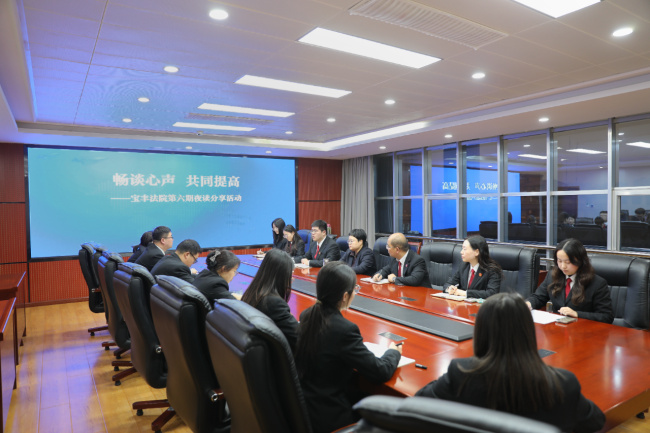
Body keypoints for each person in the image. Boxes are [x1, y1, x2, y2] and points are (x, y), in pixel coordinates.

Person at [415, 292, 605, 433]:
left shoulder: (461, 373)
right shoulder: (563, 383)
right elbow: (596, 422)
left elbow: (418, 402)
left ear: (481, 332)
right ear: (528, 331)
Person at [295, 262, 402, 433]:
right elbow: (380, 372)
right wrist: (393, 352)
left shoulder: (307, 315)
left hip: (305, 408)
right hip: (331, 417)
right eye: (355, 290)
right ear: (345, 296)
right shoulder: (344, 329)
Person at [526, 238, 614, 323]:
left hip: (583, 329)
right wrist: (528, 304)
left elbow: (606, 317)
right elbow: (538, 297)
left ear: (580, 261)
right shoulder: (552, 275)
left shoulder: (597, 283)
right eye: (559, 261)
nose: (563, 266)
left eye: (568, 262)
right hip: (557, 327)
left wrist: (577, 314)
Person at [241, 249, 298, 350]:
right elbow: (298, 337)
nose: (292, 278)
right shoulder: (274, 303)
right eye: (290, 273)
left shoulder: (254, 291)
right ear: (282, 274)